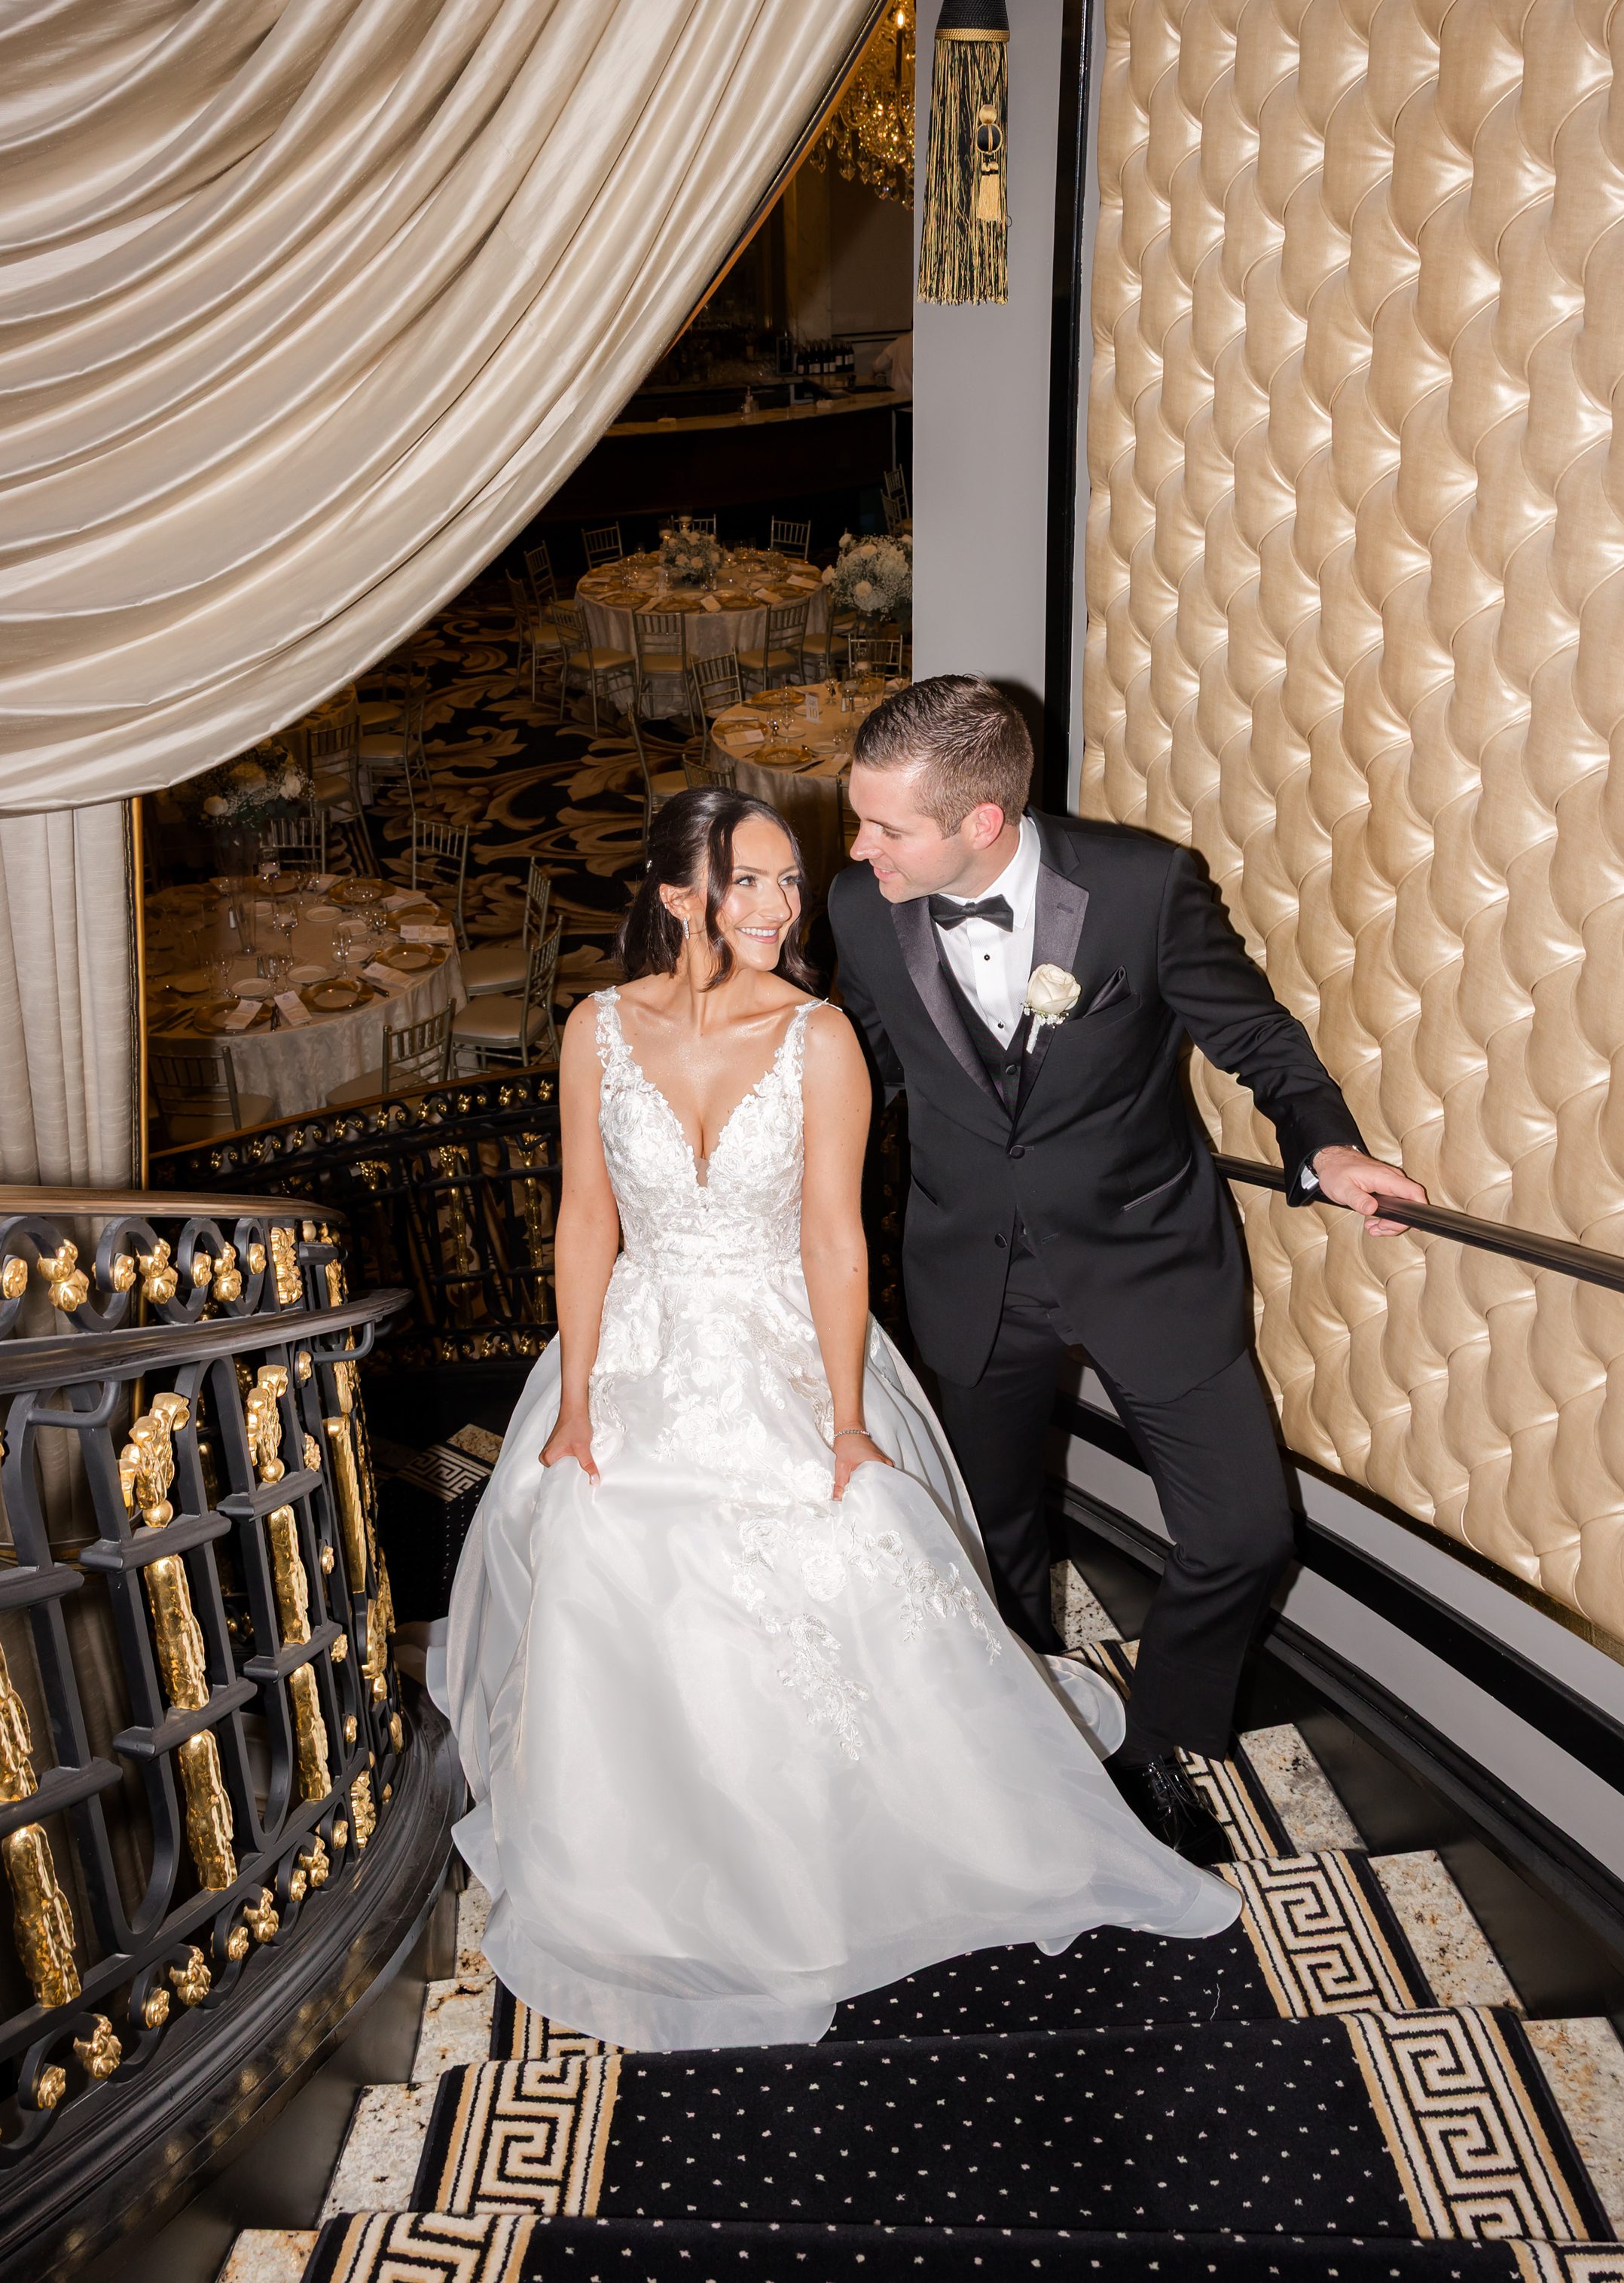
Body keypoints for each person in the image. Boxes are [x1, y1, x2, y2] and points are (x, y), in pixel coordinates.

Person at [433, 784, 1238, 2054]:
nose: (773, 907)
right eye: (743, 883)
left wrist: (849, 1417)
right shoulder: (594, 1030)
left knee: (846, 1542)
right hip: (638, 1341)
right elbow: (586, 1218)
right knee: (589, 1538)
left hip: (783, 1341)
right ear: (672, 893)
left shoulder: (821, 1038)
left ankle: (860, 1831)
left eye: (788, 884)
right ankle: (646, 1850)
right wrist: (579, 1401)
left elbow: (832, 1238)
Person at [829, 678, 1425, 1866]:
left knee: (1248, 1533)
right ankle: (1019, 1743)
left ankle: (1155, 1740)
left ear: (982, 822)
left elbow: (1253, 1034)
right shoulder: (861, 907)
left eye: (887, 827)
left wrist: (1328, 1145)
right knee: (991, 1537)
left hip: (1150, 1257)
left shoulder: (1144, 887)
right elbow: (870, 1075)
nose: (859, 848)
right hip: (967, 1270)